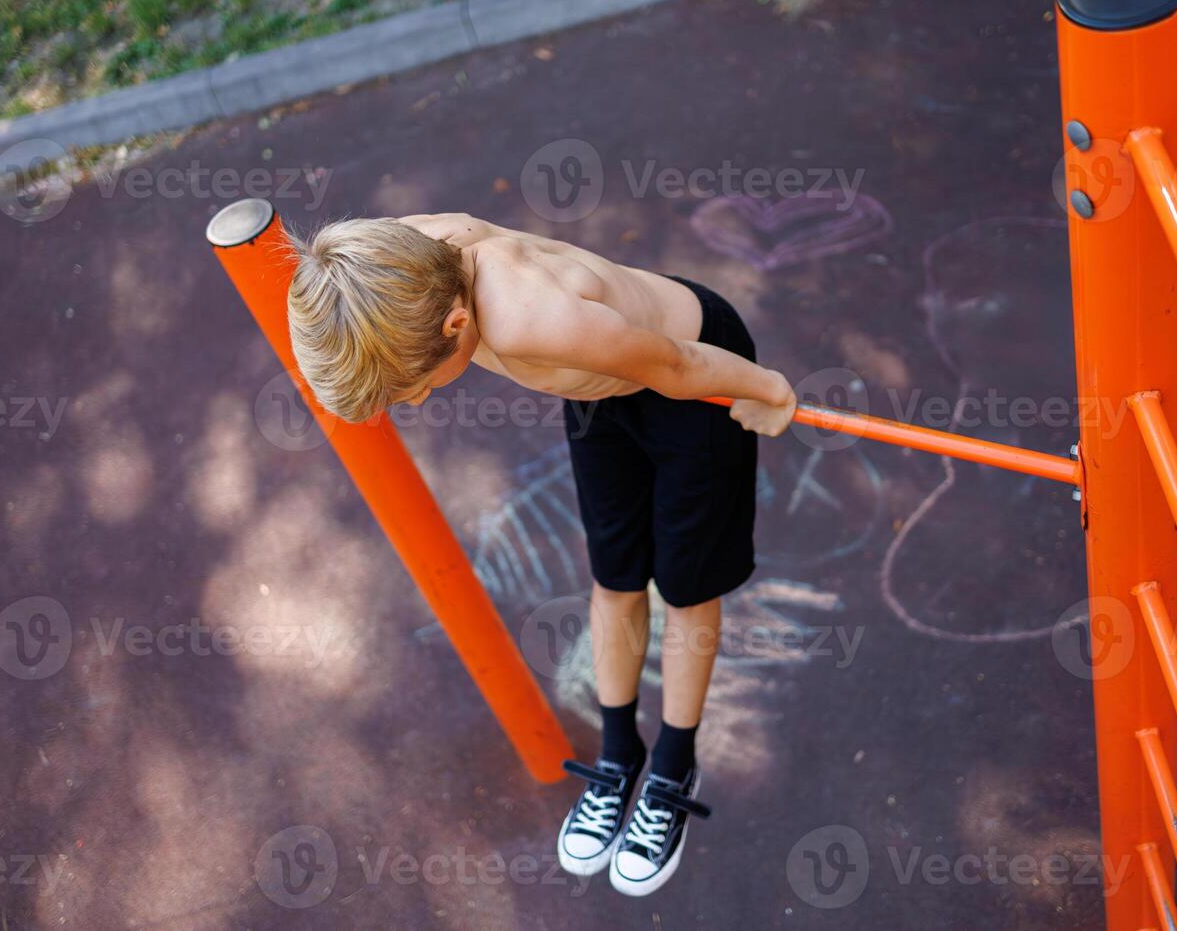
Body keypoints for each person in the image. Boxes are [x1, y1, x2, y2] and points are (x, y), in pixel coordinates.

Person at [285, 213, 797, 896]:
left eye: (422, 388)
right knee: (615, 576)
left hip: (693, 371)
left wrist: (768, 390)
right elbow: (328, 282)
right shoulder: (401, 262)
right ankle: (621, 755)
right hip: (599, 385)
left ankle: (673, 765)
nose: (417, 400)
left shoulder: (534, 320)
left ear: (455, 327)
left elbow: (675, 366)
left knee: (685, 587)